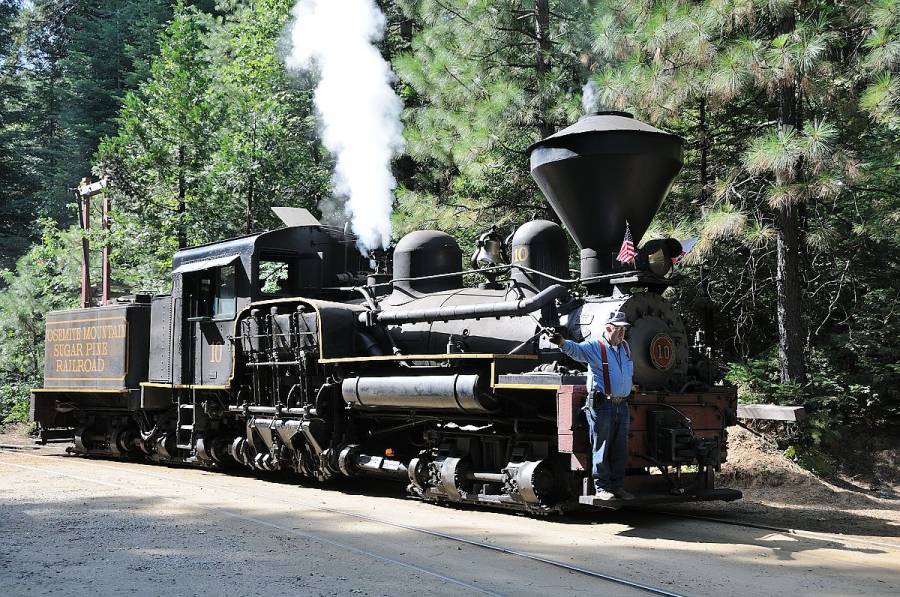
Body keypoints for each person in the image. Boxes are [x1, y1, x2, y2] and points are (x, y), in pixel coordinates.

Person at [548, 311, 635, 501]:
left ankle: (618, 486)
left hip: (622, 405)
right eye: (618, 329)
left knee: (620, 448)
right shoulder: (596, 346)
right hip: (602, 404)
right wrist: (562, 343)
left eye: (623, 329)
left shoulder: (625, 348)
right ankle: (602, 488)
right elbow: (577, 350)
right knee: (601, 446)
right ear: (608, 328)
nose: (622, 333)